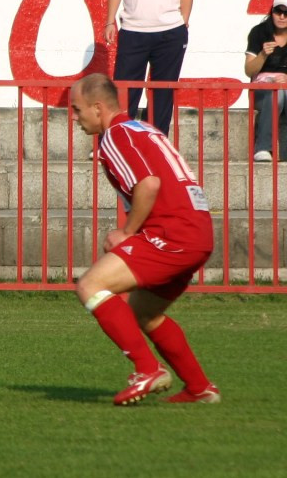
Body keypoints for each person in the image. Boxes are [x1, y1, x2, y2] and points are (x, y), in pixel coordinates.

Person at [69, 73, 220, 406]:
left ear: (98, 108)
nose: (75, 118)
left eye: (77, 110)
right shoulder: (144, 129)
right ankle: (199, 388)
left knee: (90, 285)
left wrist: (127, 232)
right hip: (198, 231)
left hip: (172, 232)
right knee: (145, 314)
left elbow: (148, 184)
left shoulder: (115, 136)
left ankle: (147, 369)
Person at [104, 0, 197, 136]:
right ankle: (117, 139)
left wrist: (183, 21)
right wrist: (110, 21)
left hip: (170, 33)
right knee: (125, 92)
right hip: (133, 30)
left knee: (163, 93)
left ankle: (154, 141)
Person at [244, 0, 287, 163]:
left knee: (282, 92)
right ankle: (262, 147)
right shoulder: (259, 32)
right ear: (272, 12)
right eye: (278, 11)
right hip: (263, 90)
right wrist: (262, 55)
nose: (282, 17)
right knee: (277, 93)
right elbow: (249, 70)